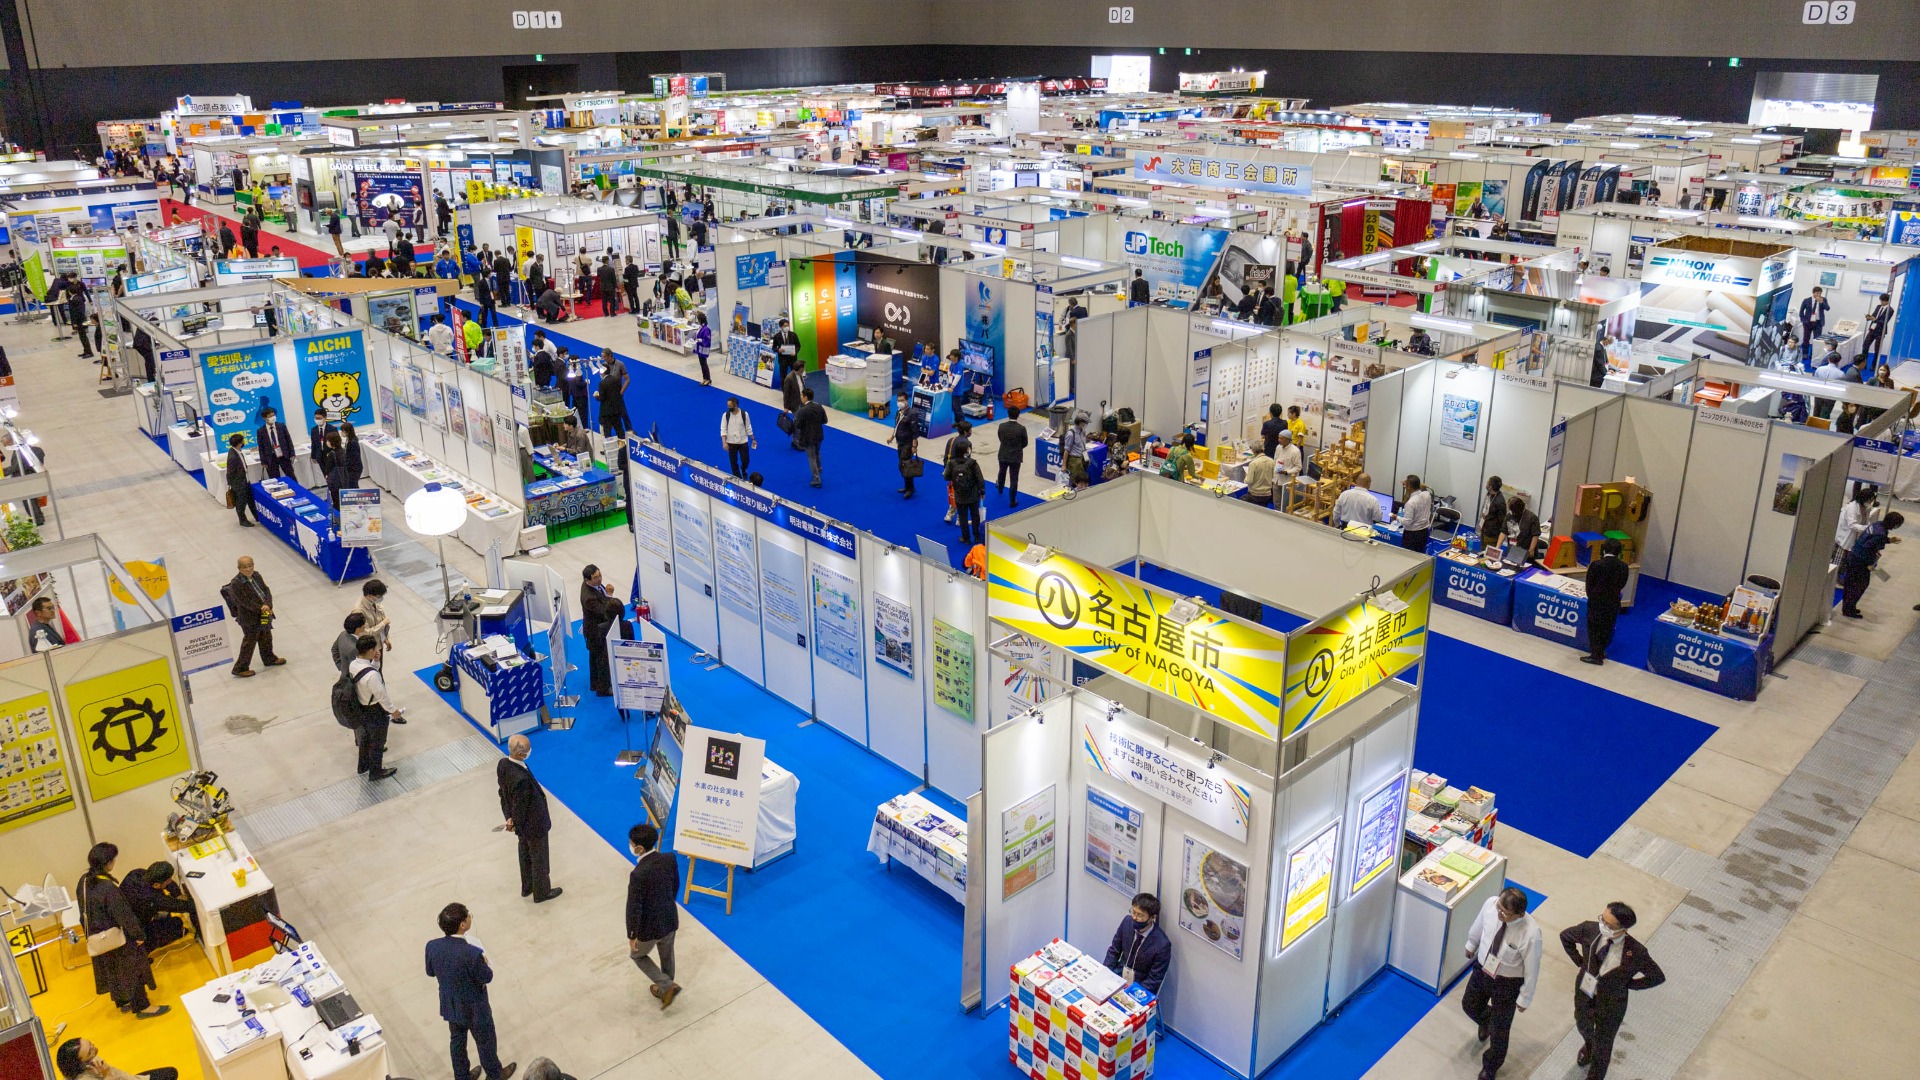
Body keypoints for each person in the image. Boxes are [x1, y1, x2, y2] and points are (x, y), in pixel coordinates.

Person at [1560, 902, 1665, 1080]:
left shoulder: (1636, 952)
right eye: (1602, 919)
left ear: (1623, 929)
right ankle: (1589, 1046)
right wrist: (1580, 962)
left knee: (1603, 1046)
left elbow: (1656, 976)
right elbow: (1565, 937)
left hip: (1612, 1003)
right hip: (1585, 991)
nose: (1603, 926)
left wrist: (1629, 984)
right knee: (1582, 1024)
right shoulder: (1589, 929)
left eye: (1609, 925)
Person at [425, 903, 516, 1080]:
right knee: (485, 1041)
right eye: (468, 915)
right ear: (462, 925)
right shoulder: (472, 953)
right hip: (475, 1008)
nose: (469, 917)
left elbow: (430, 971)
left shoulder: (432, 946)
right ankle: (495, 1074)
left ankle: (462, 1076)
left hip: (451, 1004)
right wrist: (484, 962)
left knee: (457, 1041)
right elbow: (486, 977)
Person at [79, 843, 168, 1019]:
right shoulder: (108, 888)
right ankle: (143, 1007)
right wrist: (138, 935)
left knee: (113, 970)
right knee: (134, 969)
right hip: (117, 935)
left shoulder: (84, 881)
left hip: (98, 935)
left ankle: (123, 1001)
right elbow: (123, 914)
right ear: (108, 863)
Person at [1461, 887, 1541, 1080]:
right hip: (1483, 968)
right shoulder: (1491, 904)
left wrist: (1525, 998)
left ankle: (1491, 1066)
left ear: (1520, 914)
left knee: (1500, 1031)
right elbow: (1479, 925)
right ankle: (1487, 1020)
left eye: (1505, 913)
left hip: (1508, 983)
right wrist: (1471, 944)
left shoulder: (1531, 933)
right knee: (1469, 1004)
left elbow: (1532, 968)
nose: (1500, 914)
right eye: (1499, 908)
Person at [626, 823, 682, 1008]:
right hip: (670, 918)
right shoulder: (669, 859)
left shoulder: (638, 874)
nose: (631, 846)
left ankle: (666, 985)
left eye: (632, 844)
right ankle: (666, 987)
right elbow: (675, 885)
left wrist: (632, 935)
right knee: (667, 954)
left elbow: (634, 907)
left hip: (649, 927)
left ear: (639, 849)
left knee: (638, 956)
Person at [499, 735, 561, 902]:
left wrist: (509, 816)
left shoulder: (503, 765)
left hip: (522, 827)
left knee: (525, 854)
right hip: (534, 825)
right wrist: (516, 822)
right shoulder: (522, 780)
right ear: (520, 754)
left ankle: (528, 886)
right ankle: (542, 892)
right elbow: (521, 807)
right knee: (539, 858)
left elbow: (504, 794)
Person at [349, 634, 401, 779]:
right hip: (375, 710)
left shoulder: (353, 664)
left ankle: (363, 766)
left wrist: (375, 662)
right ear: (370, 650)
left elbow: (366, 673)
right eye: (375, 648)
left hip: (362, 707)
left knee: (365, 739)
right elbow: (381, 695)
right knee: (378, 742)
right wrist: (394, 711)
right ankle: (376, 771)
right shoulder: (372, 676)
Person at [222, 556, 282, 676]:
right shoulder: (236, 584)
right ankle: (240, 668)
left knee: (265, 635)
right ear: (239, 568)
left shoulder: (257, 575)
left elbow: (266, 590)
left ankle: (269, 658)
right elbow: (244, 602)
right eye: (245, 567)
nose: (248, 569)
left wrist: (268, 604)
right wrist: (262, 608)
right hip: (249, 618)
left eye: (250, 566)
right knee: (250, 641)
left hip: (264, 612)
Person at [1102, 892, 1171, 994]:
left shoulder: (1162, 944)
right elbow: (1113, 951)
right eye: (1133, 912)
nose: (1134, 917)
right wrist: (1105, 973)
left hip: (1139, 986)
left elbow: (1154, 979)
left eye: (1140, 915)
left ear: (1152, 917)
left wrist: (1132, 994)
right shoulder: (1127, 922)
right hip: (1118, 975)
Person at [119, 862, 199, 951]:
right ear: (156, 884)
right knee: (177, 924)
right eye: (167, 881)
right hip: (134, 931)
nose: (170, 882)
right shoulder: (152, 898)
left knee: (167, 916)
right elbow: (184, 906)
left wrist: (177, 894)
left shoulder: (137, 873)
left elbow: (168, 883)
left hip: (124, 916)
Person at [1839, 510, 1902, 618]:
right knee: (1859, 585)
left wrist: (1888, 540)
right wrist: (1870, 562)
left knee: (1851, 584)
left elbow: (1871, 539)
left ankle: (1849, 607)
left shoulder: (1877, 525)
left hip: (1855, 555)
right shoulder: (1881, 534)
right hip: (1860, 561)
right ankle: (1848, 610)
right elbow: (1868, 545)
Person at [1582, 538, 1629, 665]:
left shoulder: (1596, 565)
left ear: (1603, 549)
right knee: (1607, 627)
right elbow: (1622, 584)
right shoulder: (1624, 567)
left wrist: (1592, 597)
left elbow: (1589, 584)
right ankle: (1601, 651)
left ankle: (1596, 656)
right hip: (1613, 602)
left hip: (1596, 602)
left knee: (1594, 628)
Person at [580, 565, 624, 696]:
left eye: (600, 575)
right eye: (595, 578)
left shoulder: (594, 586)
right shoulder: (589, 597)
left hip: (595, 629)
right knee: (602, 659)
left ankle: (594, 683)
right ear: (587, 580)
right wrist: (609, 595)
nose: (599, 579)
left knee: (595, 657)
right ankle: (603, 689)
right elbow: (604, 612)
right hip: (595, 632)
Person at [56, 1035, 177, 1080]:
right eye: (89, 1052)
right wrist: (107, 1075)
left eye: (90, 1043)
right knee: (170, 1074)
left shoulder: (92, 1062)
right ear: (82, 1064)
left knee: (170, 1072)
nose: (94, 1048)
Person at [950, 447, 986, 546]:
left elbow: (946, 476)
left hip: (959, 496)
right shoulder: (973, 463)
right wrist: (982, 491)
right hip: (973, 495)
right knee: (975, 516)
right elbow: (980, 478)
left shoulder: (952, 464)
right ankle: (977, 537)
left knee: (963, 517)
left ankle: (966, 538)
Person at [995, 406, 1029, 508]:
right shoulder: (1021, 429)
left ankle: (1000, 487)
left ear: (1008, 414)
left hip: (1003, 454)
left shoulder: (1002, 426)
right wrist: (1017, 448)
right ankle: (1012, 500)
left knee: (1002, 471)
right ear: (1018, 415)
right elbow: (1025, 443)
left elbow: (1000, 438)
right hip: (1016, 457)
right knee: (1014, 478)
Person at [793, 388, 828, 487]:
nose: (801, 397)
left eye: (801, 395)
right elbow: (825, 421)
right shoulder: (819, 406)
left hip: (808, 437)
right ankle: (819, 468)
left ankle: (816, 479)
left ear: (805, 397)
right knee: (817, 453)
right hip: (819, 435)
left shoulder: (802, 411)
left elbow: (797, 425)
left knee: (811, 458)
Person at [222, 434, 257, 528]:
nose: (244, 442)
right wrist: (234, 485)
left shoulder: (236, 451)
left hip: (245, 480)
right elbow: (230, 472)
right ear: (239, 443)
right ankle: (243, 520)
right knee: (241, 502)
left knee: (250, 499)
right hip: (239, 483)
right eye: (242, 441)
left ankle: (257, 516)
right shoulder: (233, 457)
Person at [890, 396, 921, 496]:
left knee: (905, 465)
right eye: (898, 400)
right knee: (902, 465)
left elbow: (915, 431)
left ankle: (910, 488)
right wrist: (892, 437)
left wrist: (914, 446)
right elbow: (896, 426)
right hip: (900, 443)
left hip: (908, 444)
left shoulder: (912, 413)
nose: (900, 402)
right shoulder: (898, 412)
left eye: (902, 400)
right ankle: (908, 486)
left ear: (907, 401)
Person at [1835, 485, 1876, 558]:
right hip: (1846, 537)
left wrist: (1869, 527)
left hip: (1856, 538)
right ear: (1864, 499)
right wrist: (1867, 528)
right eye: (1870, 500)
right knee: (1841, 558)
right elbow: (1852, 525)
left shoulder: (1866, 507)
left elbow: (1866, 520)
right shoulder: (1852, 508)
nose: (1871, 502)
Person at [1499, 496, 1543, 564]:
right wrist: (1498, 546)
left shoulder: (1532, 518)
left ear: (1516, 510)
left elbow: (1535, 535)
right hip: (1512, 548)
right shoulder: (1509, 516)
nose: (1509, 510)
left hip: (1525, 550)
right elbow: (1503, 531)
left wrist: (1531, 550)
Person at [354, 579, 392, 655]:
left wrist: (385, 638)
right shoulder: (359, 611)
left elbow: (379, 620)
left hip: (378, 643)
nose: (381, 598)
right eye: (379, 596)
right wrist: (383, 624)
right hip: (368, 649)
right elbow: (365, 633)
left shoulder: (374, 602)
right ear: (370, 595)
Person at [256, 405, 295, 479]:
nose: (273, 417)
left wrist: (292, 453)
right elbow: (261, 447)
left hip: (284, 455)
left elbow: (289, 440)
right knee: (275, 478)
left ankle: (295, 487)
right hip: (271, 457)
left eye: (273, 415)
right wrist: (263, 461)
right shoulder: (260, 431)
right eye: (270, 416)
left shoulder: (281, 426)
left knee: (291, 475)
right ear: (264, 418)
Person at [597, 350, 630, 437]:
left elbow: (627, 379)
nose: (602, 358)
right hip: (608, 396)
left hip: (617, 394)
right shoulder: (604, 365)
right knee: (616, 417)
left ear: (610, 356)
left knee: (623, 413)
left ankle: (629, 431)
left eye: (604, 356)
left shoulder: (620, 364)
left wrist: (621, 392)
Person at [720, 397, 755, 479]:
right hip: (731, 442)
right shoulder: (725, 415)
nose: (728, 407)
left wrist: (753, 439)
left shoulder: (744, 414)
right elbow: (723, 429)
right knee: (733, 462)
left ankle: (743, 468)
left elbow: (748, 427)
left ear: (735, 405)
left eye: (730, 406)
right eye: (728, 405)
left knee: (746, 460)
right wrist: (724, 442)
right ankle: (737, 478)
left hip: (743, 441)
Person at [1798, 286, 1830, 364]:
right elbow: (1801, 311)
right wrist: (1803, 320)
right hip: (1808, 322)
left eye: (1820, 293)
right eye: (1817, 293)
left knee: (1816, 339)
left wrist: (1821, 302)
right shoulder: (1806, 300)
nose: (1818, 295)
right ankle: (1805, 353)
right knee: (1806, 338)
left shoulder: (1823, 299)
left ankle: (1813, 354)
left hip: (1818, 322)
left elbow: (1827, 308)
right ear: (1813, 293)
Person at [1272, 430, 1301, 509]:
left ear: (1288, 439)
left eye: (1281, 438)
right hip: (1276, 479)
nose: (1279, 440)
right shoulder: (1278, 447)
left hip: (1287, 482)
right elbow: (1275, 460)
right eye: (1279, 438)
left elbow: (1298, 467)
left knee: (1285, 504)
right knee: (1276, 502)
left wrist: (1286, 472)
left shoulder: (1295, 451)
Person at [1864, 292, 1893, 369]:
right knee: (1865, 346)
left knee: (1877, 349)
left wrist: (1875, 319)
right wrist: (1869, 317)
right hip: (1872, 329)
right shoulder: (1878, 306)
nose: (1881, 302)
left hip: (1881, 331)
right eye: (1881, 300)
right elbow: (1874, 315)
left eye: (1882, 301)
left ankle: (1874, 365)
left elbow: (1885, 322)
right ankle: (1863, 363)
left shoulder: (1890, 310)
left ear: (1887, 301)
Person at [1479, 475, 1509, 550]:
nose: (1486, 484)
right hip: (1485, 527)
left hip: (1492, 533)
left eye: (1487, 483)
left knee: (1488, 553)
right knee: (1483, 550)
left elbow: (1502, 520)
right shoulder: (1489, 494)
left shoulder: (1500, 502)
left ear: (1490, 486)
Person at [1063, 414, 1092, 489]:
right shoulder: (1071, 434)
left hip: (1082, 458)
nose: (1086, 424)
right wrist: (1064, 465)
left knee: (1082, 480)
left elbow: (1083, 446)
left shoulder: (1083, 432)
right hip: (1074, 461)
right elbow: (1066, 450)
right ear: (1079, 422)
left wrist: (1087, 458)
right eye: (1085, 423)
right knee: (1075, 480)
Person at [693, 312, 714, 385]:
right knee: (701, 363)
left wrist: (700, 340)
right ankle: (704, 378)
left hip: (703, 348)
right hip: (699, 347)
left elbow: (707, 339)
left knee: (704, 363)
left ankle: (708, 379)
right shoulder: (701, 327)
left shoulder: (706, 329)